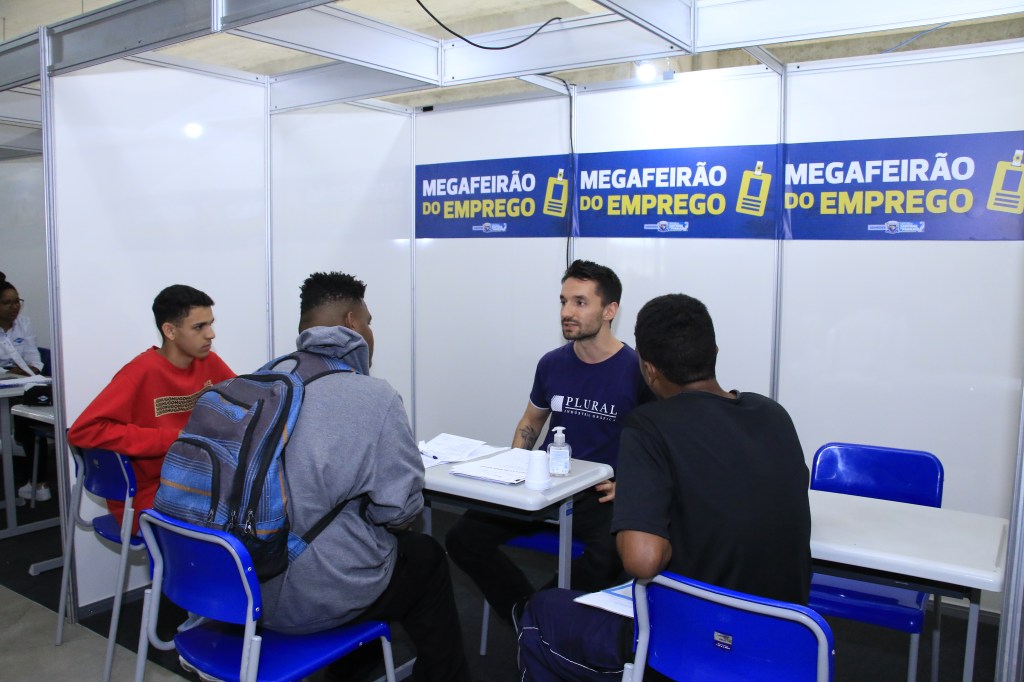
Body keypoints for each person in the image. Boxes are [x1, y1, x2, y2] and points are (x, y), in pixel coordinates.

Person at [516, 293, 812, 682]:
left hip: (691, 642)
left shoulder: (650, 427)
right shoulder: (773, 414)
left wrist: (647, 505)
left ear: (648, 370)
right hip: (787, 640)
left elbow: (642, 560)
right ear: (715, 352)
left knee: (542, 610)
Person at [259, 271, 470, 682]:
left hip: (238, 589)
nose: (372, 332)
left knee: (349, 541)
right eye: (369, 322)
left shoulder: (262, 379)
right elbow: (401, 510)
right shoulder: (373, 396)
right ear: (352, 322)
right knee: (423, 557)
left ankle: (357, 667)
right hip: (304, 598)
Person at [445, 260, 653, 626]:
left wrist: (630, 486)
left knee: (611, 555)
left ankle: (540, 619)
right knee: (462, 538)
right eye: (563, 301)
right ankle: (528, 615)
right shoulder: (552, 364)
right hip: (545, 485)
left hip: (598, 495)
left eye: (580, 302)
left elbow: (659, 444)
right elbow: (531, 421)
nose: (567, 312)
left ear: (610, 310)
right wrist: (513, 465)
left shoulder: (638, 370)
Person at [68, 284, 234, 531]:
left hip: (197, 481)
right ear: (170, 331)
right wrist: (172, 438)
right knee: (238, 523)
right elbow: (83, 431)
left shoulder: (209, 362)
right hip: (150, 494)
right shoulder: (139, 373)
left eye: (211, 324)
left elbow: (242, 402)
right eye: (199, 327)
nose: (211, 334)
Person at [0, 278, 51, 501]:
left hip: (22, 384)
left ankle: (39, 482)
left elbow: (33, 357)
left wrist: (31, 369)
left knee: (30, 420)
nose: (14, 307)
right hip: (6, 385)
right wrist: (10, 370)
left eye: (17, 301)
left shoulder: (24, 323)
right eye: (7, 303)